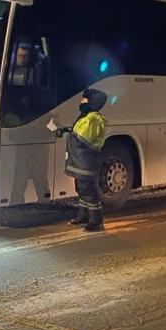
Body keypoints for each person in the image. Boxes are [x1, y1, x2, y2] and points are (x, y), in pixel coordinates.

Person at [55, 87, 108, 232]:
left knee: (89, 192)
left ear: (91, 102)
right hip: (80, 161)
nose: (80, 102)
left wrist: (64, 134)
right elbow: (77, 134)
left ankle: (96, 221)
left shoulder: (93, 119)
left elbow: (81, 139)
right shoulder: (86, 117)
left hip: (86, 162)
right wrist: (67, 133)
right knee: (81, 190)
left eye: (83, 99)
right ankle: (83, 216)